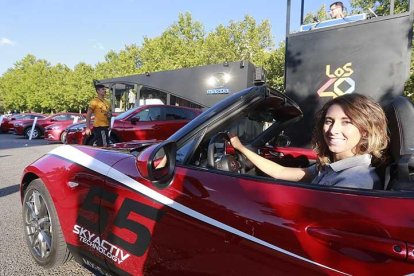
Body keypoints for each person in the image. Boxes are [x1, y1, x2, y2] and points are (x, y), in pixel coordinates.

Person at [229, 93, 389, 189]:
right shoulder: (331, 168)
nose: (333, 130)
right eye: (329, 121)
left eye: (346, 122)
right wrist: (240, 148)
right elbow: (280, 172)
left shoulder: (353, 181)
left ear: (365, 130)